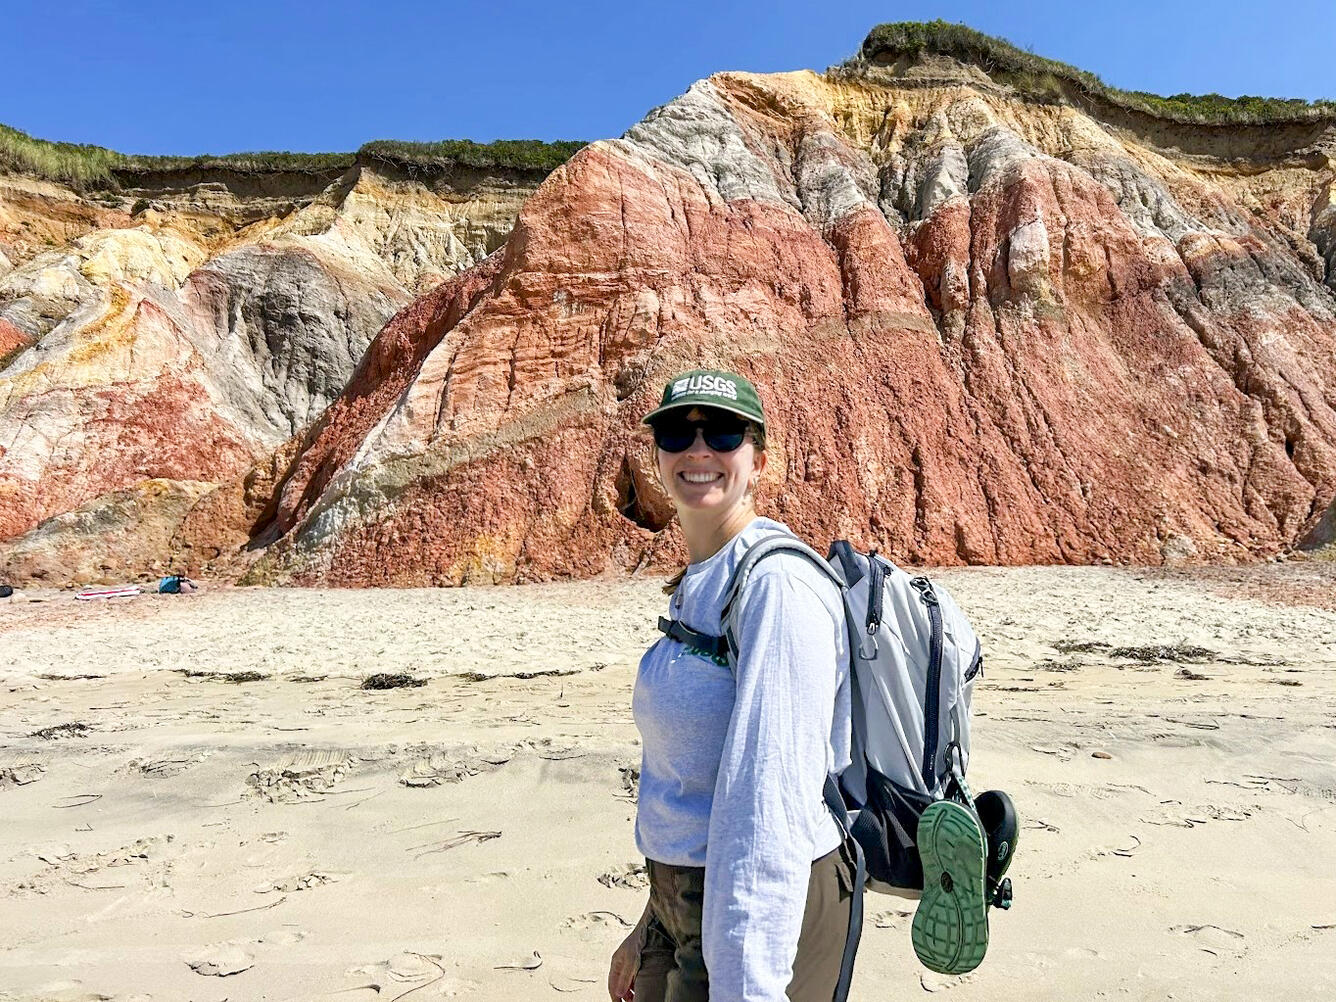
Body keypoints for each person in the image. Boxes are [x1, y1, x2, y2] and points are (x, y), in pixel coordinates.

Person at [608, 369, 858, 1002]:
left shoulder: (778, 589)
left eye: (722, 433)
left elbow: (766, 807)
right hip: (687, 904)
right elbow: (693, 782)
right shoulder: (703, 580)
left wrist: (747, 986)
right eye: (676, 432)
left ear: (759, 460)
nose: (698, 450)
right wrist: (650, 923)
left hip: (759, 911)